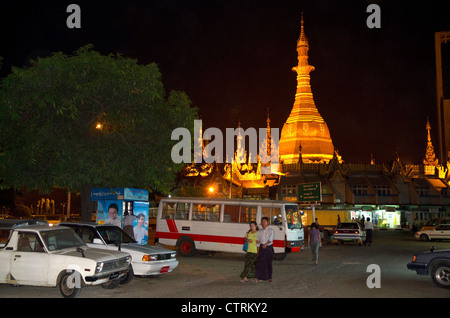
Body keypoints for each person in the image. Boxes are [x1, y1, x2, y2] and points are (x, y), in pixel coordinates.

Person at [254, 217, 275, 283]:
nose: (263, 223)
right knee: (260, 263)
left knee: (268, 262)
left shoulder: (271, 230)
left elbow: (270, 239)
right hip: (262, 248)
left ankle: (269, 277)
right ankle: (258, 277)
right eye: (262, 221)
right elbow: (258, 241)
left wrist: (266, 244)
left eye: (264, 221)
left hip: (268, 248)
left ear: (268, 223)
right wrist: (258, 250)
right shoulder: (260, 231)